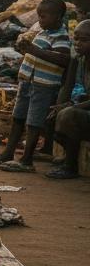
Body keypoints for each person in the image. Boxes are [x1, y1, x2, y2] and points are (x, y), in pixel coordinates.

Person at [0, 0, 72, 173]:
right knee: (18, 117)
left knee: (34, 122)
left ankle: (27, 160)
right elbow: (35, 55)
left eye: (43, 17)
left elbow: (63, 59)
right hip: (28, 82)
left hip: (44, 86)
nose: (40, 20)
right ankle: (8, 152)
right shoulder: (43, 33)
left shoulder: (61, 36)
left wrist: (33, 50)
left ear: (58, 17)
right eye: (39, 16)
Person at [45, 19, 90, 179]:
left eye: (84, 40)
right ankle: (69, 155)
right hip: (84, 108)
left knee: (68, 115)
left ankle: (70, 166)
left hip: (83, 111)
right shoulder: (81, 59)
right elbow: (69, 85)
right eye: (75, 39)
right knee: (52, 113)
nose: (77, 43)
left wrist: (70, 107)